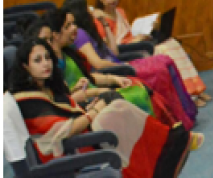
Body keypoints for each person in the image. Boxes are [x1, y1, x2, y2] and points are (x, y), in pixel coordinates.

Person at [8, 38, 204, 178]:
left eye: (47, 57)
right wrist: (94, 111)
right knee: (114, 115)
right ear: (25, 66)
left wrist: (91, 107)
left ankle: (170, 142)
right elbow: (63, 132)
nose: (45, 64)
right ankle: (169, 149)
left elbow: (70, 112)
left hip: (77, 138)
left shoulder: (49, 87)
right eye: (37, 60)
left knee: (118, 110)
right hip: (61, 154)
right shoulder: (27, 100)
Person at [59, 0, 197, 131]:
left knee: (165, 60)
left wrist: (104, 24)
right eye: (87, 8)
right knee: (160, 70)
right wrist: (122, 66)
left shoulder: (88, 29)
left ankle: (185, 113)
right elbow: (98, 64)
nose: (91, 10)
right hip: (115, 68)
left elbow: (114, 51)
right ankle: (176, 121)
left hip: (118, 64)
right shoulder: (80, 35)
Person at [25, 17, 175, 127]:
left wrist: (114, 79)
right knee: (135, 94)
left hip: (91, 96)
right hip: (85, 106)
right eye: (45, 40)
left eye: (50, 39)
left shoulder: (65, 54)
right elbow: (65, 102)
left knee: (138, 87)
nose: (49, 43)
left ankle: (166, 132)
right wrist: (101, 92)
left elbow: (88, 78)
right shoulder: (46, 72)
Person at [91, 0, 213, 106]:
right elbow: (110, 48)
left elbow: (127, 33)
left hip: (136, 43)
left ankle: (197, 89)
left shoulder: (120, 12)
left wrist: (145, 32)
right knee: (163, 50)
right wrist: (133, 41)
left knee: (172, 43)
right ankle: (188, 95)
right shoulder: (99, 19)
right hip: (126, 50)